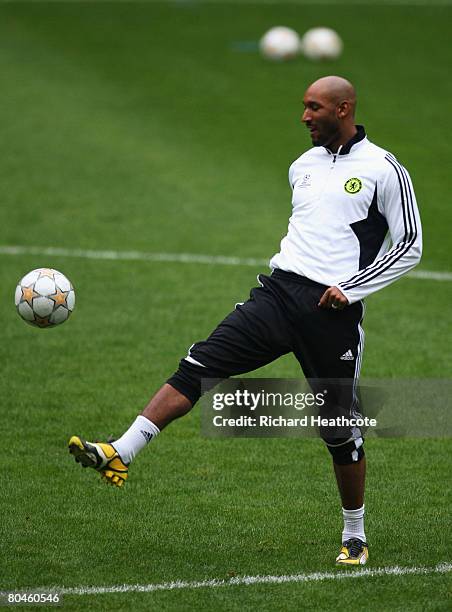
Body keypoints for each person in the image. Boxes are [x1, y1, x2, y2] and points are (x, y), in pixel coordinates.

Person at [69, 76, 422, 566]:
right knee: (200, 362)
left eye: (313, 108)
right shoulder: (302, 166)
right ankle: (121, 450)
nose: (304, 117)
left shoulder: (384, 169)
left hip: (332, 312)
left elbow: (409, 245)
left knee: (338, 428)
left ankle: (355, 535)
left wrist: (351, 288)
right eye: (303, 106)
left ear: (343, 109)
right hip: (277, 295)